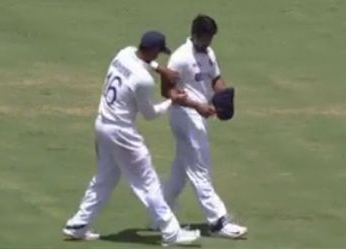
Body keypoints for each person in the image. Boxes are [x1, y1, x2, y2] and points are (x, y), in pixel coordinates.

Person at [62, 30, 200, 246]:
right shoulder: (143, 81)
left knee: (104, 179)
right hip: (122, 133)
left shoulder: (124, 53)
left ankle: (78, 224)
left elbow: (147, 63)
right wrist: (172, 101)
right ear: (153, 50)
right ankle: (171, 232)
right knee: (148, 182)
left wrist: (161, 70)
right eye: (159, 54)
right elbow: (150, 114)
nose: (159, 58)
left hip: (102, 126)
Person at [161, 15, 248, 239]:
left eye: (211, 39)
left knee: (181, 169)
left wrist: (223, 97)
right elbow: (167, 91)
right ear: (196, 34)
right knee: (200, 168)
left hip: (199, 116)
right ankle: (217, 222)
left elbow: (215, 78)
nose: (209, 43)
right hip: (184, 115)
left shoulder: (209, 53)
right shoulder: (180, 58)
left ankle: (160, 214)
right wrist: (197, 105)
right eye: (206, 38)